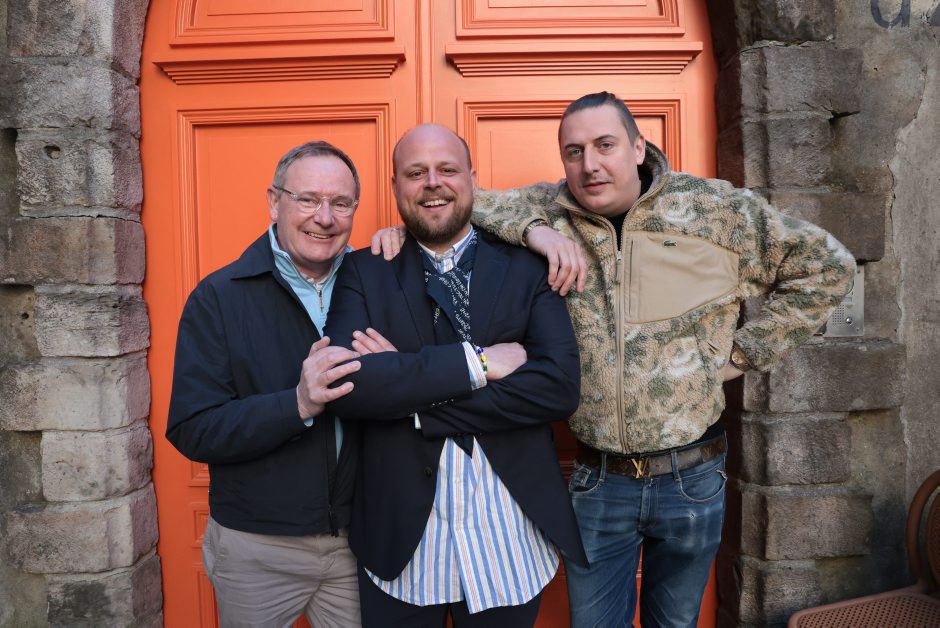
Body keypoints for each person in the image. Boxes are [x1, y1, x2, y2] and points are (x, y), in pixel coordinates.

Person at [372, 93, 857, 627]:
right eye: (574, 151)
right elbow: (455, 198)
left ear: (639, 147)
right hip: (598, 480)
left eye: (605, 145)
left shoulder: (717, 211)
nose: (590, 165)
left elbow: (829, 267)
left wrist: (742, 354)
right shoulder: (550, 210)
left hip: (692, 476)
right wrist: (428, 232)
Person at [322, 123, 588, 627]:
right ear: (396, 186)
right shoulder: (362, 271)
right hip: (401, 547)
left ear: (472, 178)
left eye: (447, 169)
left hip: (507, 542)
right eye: (415, 173)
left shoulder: (528, 267)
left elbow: (558, 389)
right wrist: (479, 364)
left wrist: (410, 395)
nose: (432, 183)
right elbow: (347, 386)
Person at [166, 141, 365, 627]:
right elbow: (193, 428)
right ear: (274, 202)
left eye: (341, 203)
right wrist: (296, 404)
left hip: (362, 540)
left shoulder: (379, 283)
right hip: (256, 550)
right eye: (307, 199)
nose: (325, 218)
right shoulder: (218, 297)